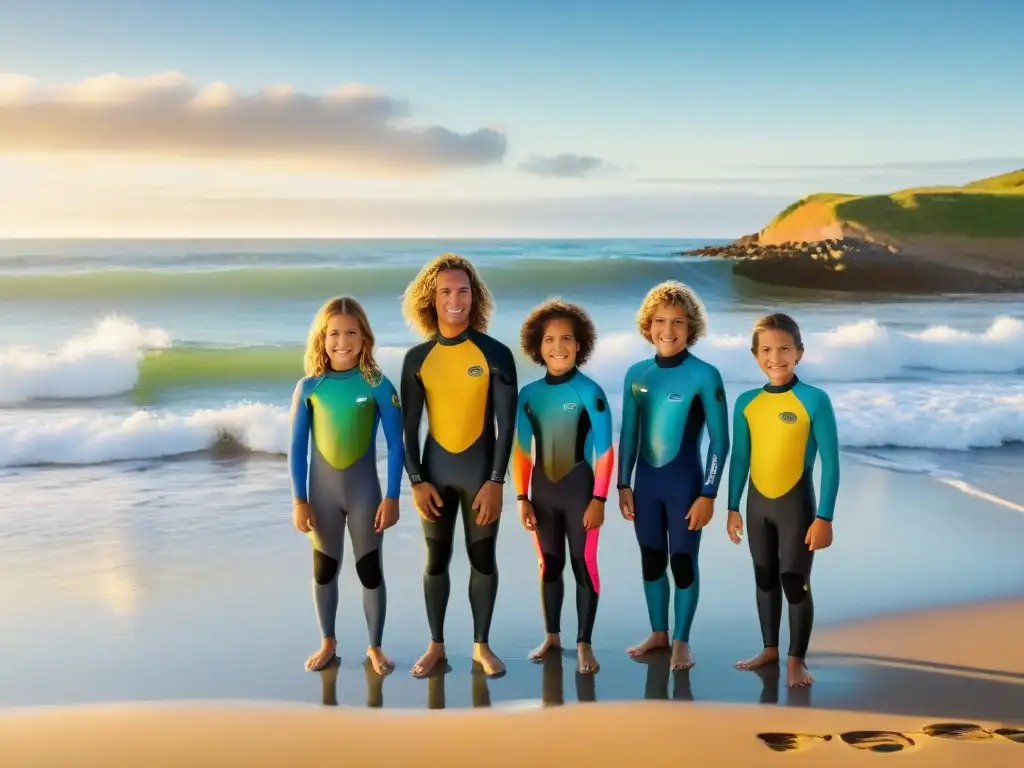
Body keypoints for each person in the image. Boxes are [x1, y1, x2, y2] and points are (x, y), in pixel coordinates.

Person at [399, 253, 518, 678]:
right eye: (446, 290)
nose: (455, 298)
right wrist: (415, 482)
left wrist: (495, 481)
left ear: (475, 296)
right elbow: (407, 428)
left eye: (463, 290)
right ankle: (436, 645)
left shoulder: (496, 354)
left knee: (482, 558)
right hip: (435, 475)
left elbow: (508, 426)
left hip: (480, 475)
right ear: (430, 298)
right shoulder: (417, 359)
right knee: (436, 560)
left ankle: (481, 646)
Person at [616, 280, 730, 671]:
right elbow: (629, 434)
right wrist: (623, 484)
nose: (668, 329)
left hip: (685, 486)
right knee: (650, 560)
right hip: (645, 488)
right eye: (660, 321)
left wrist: (709, 493)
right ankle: (659, 633)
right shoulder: (637, 374)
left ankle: (681, 639)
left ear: (691, 327)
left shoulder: (704, 375)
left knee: (682, 562)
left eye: (678, 321)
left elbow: (720, 441)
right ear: (648, 325)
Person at [288, 296, 404, 676]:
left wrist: (392, 496)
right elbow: (296, 449)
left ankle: (375, 646)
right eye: (334, 333)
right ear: (322, 338)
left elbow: (396, 444)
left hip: (365, 495)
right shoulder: (309, 387)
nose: (343, 341)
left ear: (364, 338)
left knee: (370, 569)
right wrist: (299, 500)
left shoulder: (378, 385)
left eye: (351, 332)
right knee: (325, 569)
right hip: (321, 497)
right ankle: (328, 642)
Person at [725, 312, 839, 688]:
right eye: (767, 350)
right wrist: (732, 507)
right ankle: (770, 649)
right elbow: (739, 458)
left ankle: (796, 660)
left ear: (800, 353)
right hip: (757, 507)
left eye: (785, 349)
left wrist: (824, 517)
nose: (776, 357)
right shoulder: (746, 403)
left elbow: (831, 462)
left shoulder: (814, 400)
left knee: (794, 581)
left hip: (797, 506)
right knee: (764, 579)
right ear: (756, 355)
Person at [512, 299, 613, 675]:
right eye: (550, 339)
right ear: (537, 347)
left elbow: (605, 451)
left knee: (583, 564)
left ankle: (584, 642)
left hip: (581, 493)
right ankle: (552, 636)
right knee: (548, 565)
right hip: (542, 494)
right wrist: (522, 497)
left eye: (567, 338)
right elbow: (521, 451)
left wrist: (599, 498)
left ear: (579, 343)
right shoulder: (529, 395)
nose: (559, 346)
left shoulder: (590, 392)